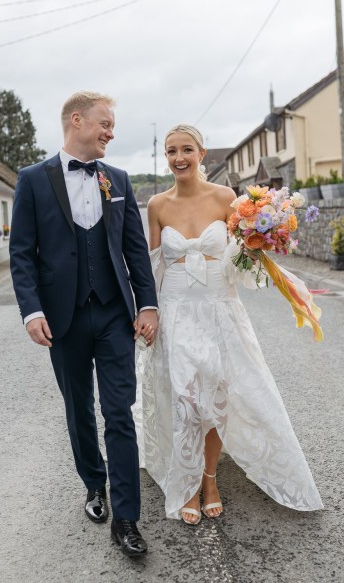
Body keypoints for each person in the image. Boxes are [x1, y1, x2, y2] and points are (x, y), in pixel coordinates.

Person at [138, 124, 323, 525]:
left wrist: (262, 242)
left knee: (217, 400)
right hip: (177, 311)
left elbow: (244, 259)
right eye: (171, 151)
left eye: (187, 149)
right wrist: (145, 311)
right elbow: (150, 267)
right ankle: (186, 483)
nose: (178, 157)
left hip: (220, 309)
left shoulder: (227, 198)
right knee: (187, 401)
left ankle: (209, 479)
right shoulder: (156, 204)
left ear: (202, 153)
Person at [9, 91, 158, 556]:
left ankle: (127, 517)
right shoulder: (33, 180)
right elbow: (21, 253)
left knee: (119, 412)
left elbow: (134, 247)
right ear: (77, 121)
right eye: (105, 124)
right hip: (62, 318)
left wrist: (148, 304)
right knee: (78, 409)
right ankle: (94, 485)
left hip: (115, 313)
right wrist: (32, 311)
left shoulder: (118, 179)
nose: (111, 133)